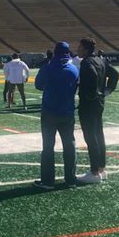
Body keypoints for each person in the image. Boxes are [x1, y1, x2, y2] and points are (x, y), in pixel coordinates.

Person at [33, 42, 79, 189]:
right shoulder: (73, 69)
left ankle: (48, 181)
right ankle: (71, 179)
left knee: (48, 147)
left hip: (49, 112)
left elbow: (38, 85)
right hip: (67, 111)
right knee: (70, 145)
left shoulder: (48, 68)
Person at [76, 37, 119, 184]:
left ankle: (94, 172)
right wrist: (106, 91)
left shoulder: (87, 62)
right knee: (99, 135)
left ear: (86, 49)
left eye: (79, 47)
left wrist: (91, 94)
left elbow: (93, 76)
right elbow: (115, 74)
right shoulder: (101, 60)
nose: (77, 50)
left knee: (90, 137)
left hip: (89, 105)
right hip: (99, 103)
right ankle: (101, 168)